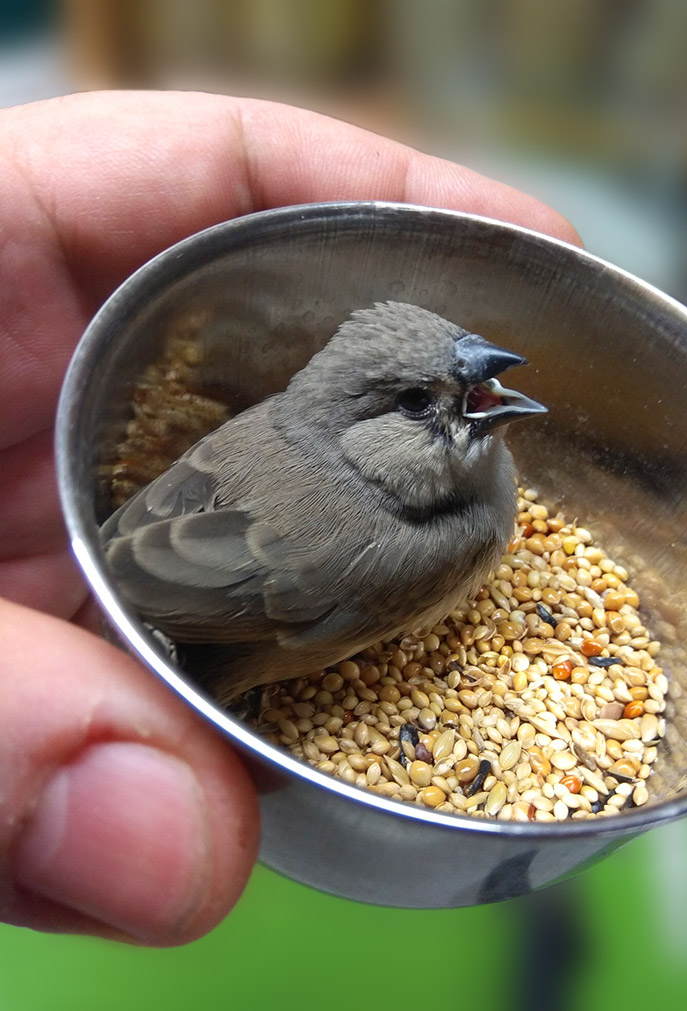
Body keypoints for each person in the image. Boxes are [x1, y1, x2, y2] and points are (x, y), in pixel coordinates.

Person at [0, 90, 579, 946]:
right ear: (352, 426)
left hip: (144, 540)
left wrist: (103, 565)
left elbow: (169, 514)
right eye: (418, 403)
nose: (470, 395)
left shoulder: (283, 419)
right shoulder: (428, 544)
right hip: (197, 619)